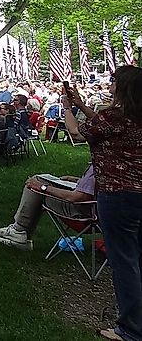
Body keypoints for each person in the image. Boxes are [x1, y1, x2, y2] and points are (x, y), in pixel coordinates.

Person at [66, 66, 142, 341]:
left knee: (123, 260)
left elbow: (77, 134)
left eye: (114, 82)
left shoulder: (114, 116)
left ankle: (130, 329)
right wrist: (82, 105)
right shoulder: (131, 116)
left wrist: (68, 109)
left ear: (123, 87)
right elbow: (101, 125)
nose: (109, 85)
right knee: (137, 257)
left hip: (117, 193)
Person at [0, 164, 96, 251]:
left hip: (84, 216)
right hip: (99, 213)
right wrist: (78, 181)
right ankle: (21, 236)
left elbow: (78, 197)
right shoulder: (107, 162)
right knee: (40, 180)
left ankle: (19, 231)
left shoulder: (97, 166)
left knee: (37, 187)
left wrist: (43, 188)